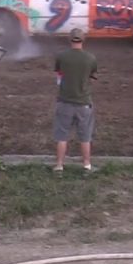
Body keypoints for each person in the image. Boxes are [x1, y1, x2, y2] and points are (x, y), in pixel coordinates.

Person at [53, 28, 98, 173]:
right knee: (85, 136)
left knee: (62, 135)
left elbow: (59, 76)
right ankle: (86, 165)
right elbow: (92, 77)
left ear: (70, 39)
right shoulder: (91, 58)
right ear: (83, 39)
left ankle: (59, 166)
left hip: (64, 101)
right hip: (83, 102)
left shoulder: (61, 56)